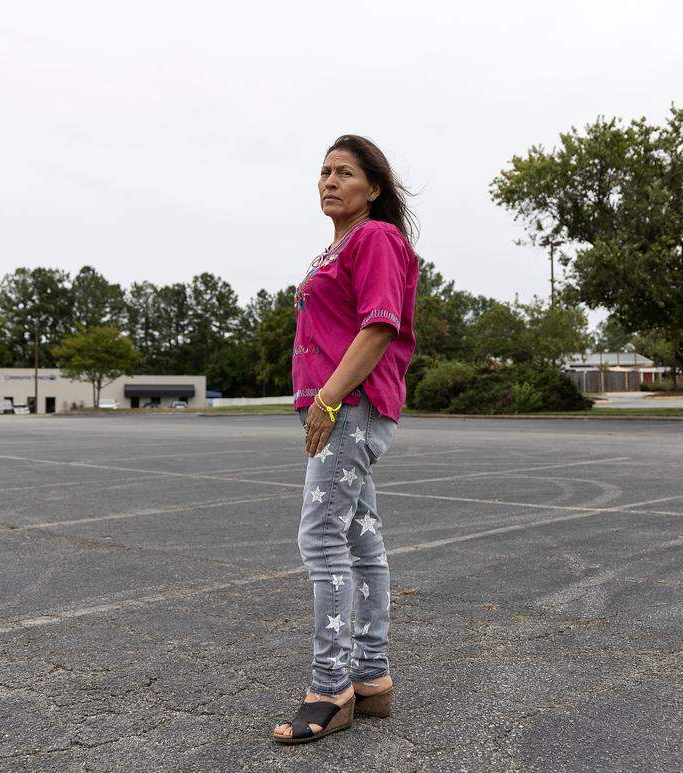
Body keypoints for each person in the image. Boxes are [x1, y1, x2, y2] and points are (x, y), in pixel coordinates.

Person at [271, 135, 420, 744]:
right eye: (324, 172)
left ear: (374, 188)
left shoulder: (376, 238)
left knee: (320, 534)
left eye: (345, 173)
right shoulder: (336, 247)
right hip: (337, 403)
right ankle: (371, 676)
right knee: (359, 536)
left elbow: (380, 326)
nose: (329, 181)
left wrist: (330, 399)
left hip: (350, 405)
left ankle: (330, 685)